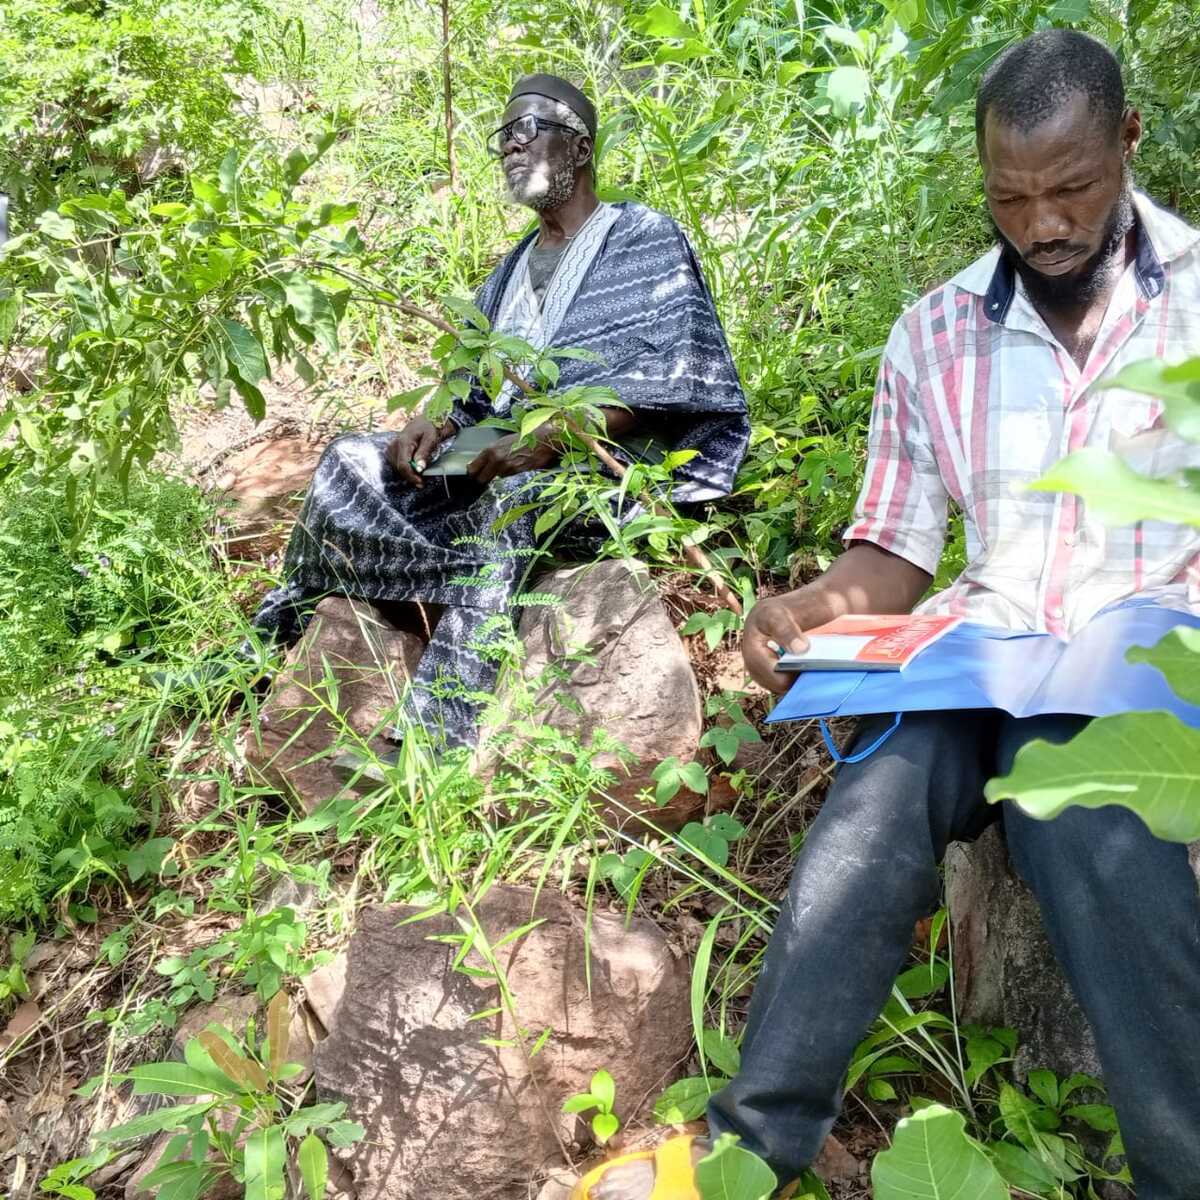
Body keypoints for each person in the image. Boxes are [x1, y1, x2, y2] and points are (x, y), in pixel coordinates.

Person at [575, 30, 1200, 1200]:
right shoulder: (936, 332)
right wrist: (810, 608)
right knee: (874, 806)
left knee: (1086, 824)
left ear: (1128, 140)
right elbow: (895, 551)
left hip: (1143, 660)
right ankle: (748, 1148)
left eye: (1071, 189)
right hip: (982, 652)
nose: (1042, 225)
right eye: (1010, 198)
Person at [251, 74, 749, 760]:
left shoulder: (643, 237)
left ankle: (431, 739)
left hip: (602, 468)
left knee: (517, 500)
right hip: (496, 458)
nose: (511, 145)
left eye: (528, 128)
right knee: (347, 463)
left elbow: (670, 380)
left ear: (580, 147)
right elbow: (473, 387)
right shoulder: (515, 265)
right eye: (503, 136)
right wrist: (437, 422)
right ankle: (269, 642)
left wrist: (548, 440)